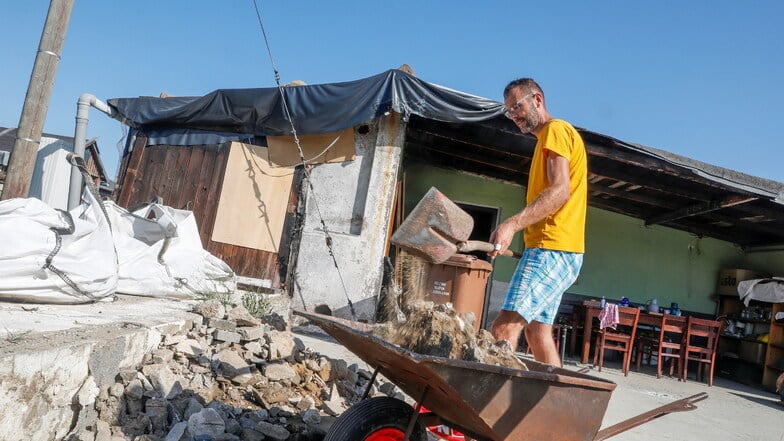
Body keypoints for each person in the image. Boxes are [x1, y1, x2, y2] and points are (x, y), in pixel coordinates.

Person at [488, 78, 587, 367]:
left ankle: (489, 406)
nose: (513, 115)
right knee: (537, 332)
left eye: (517, 106)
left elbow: (559, 191)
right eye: (509, 111)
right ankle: (556, 405)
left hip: (551, 249)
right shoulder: (546, 141)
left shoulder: (555, 130)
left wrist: (511, 225)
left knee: (504, 327)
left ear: (538, 100)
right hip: (561, 251)